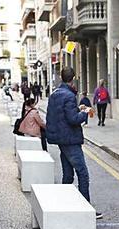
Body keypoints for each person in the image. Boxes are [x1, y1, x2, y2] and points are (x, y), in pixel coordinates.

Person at [45, 67, 101, 218]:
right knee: (82, 174)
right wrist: (84, 113)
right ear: (73, 78)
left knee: (68, 175)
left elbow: (62, 115)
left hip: (61, 139)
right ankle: (86, 209)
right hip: (70, 139)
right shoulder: (69, 96)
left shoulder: (55, 94)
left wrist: (78, 108)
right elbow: (72, 119)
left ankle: (64, 204)